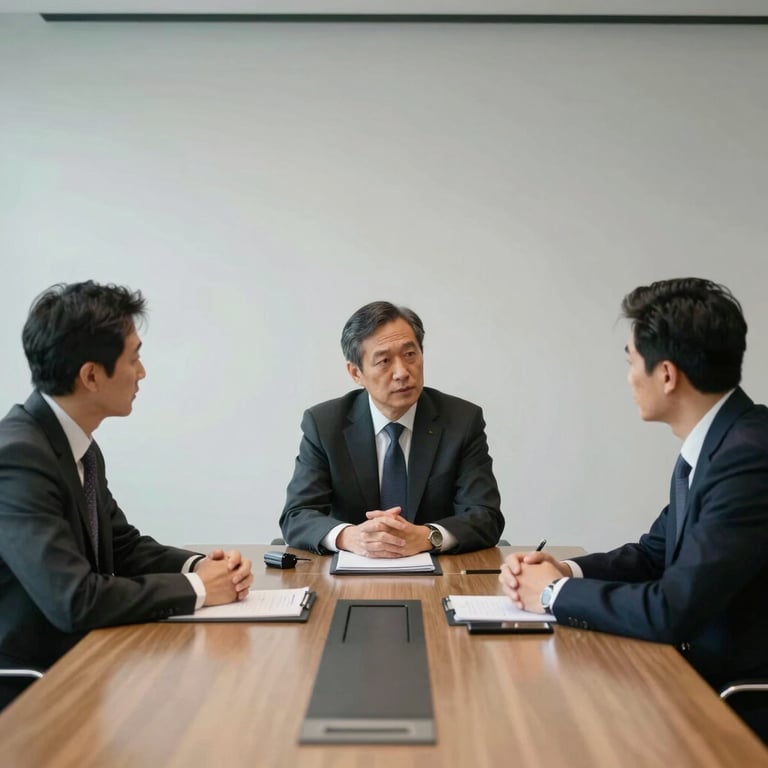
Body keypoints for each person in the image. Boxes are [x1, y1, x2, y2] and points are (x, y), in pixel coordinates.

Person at [499, 277, 768, 742]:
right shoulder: (716, 444)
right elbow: (653, 554)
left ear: (666, 374)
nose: (628, 377)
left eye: (630, 362)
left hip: (732, 702)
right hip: (689, 676)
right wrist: (565, 569)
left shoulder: (748, 455)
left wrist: (553, 594)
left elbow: (672, 609)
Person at [0, 281, 253, 710]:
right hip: (31, 690)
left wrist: (202, 566)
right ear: (91, 375)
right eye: (134, 358)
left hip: (87, 664)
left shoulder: (76, 445)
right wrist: (197, 588)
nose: (143, 372)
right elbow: (74, 600)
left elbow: (122, 545)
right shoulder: (18, 457)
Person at [280, 301, 504, 556]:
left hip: (440, 576)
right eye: (384, 361)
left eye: (410, 355)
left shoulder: (461, 420)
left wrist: (427, 536)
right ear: (356, 373)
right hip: (348, 577)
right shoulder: (324, 424)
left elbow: (485, 516)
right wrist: (349, 537)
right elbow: (297, 515)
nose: (402, 372)